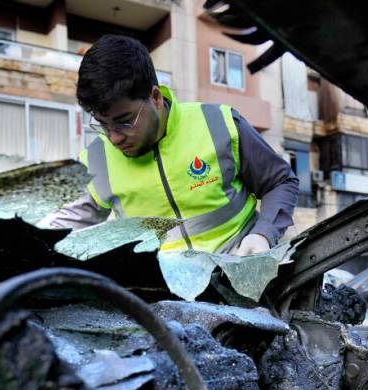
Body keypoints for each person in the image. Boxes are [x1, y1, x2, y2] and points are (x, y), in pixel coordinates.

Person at [41, 35, 298, 256]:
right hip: (162, 299)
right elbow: (60, 230)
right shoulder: (96, 161)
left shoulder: (218, 124)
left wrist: (263, 234)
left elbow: (280, 182)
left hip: (240, 273)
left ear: (154, 97)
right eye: (102, 124)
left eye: (124, 121)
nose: (114, 137)